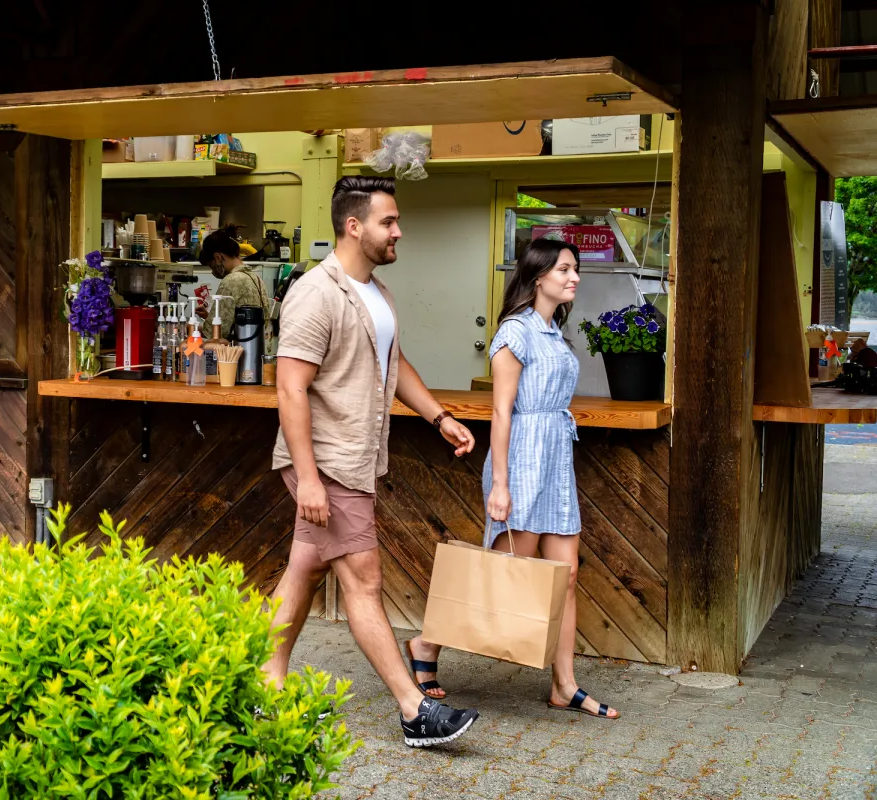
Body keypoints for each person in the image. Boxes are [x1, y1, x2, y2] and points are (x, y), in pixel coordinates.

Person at [266, 176, 481, 747]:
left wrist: (440, 418)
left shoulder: (377, 294)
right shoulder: (315, 294)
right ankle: (415, 711)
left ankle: (263, 685)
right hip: (328, 462)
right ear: (354, 226)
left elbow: (397, 364)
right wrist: (308, 478)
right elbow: (290, 389)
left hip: (354, 459)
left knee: (305, 568)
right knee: (364, 581)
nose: (398, 231)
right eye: (389, 222)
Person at [406, 238, 620, 720]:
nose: (575, 277)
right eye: (565, 269)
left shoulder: (553, 333)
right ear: (538, 275)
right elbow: (501, 414)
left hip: (556, 460)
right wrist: (500, 483)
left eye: (576, 269)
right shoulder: (514, 333)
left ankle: (564, 685)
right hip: (522, 457)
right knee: (503, 574)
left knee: (566, 577)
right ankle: (427, 642)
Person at [196, 224, 269, 340]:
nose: (213, 271)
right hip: (255, 348)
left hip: (236, 353)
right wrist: (208, 316)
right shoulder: (256, 278)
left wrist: (188, 327)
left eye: (211, 265)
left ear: (218, 258)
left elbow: (213, 333)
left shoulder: (231, 280)